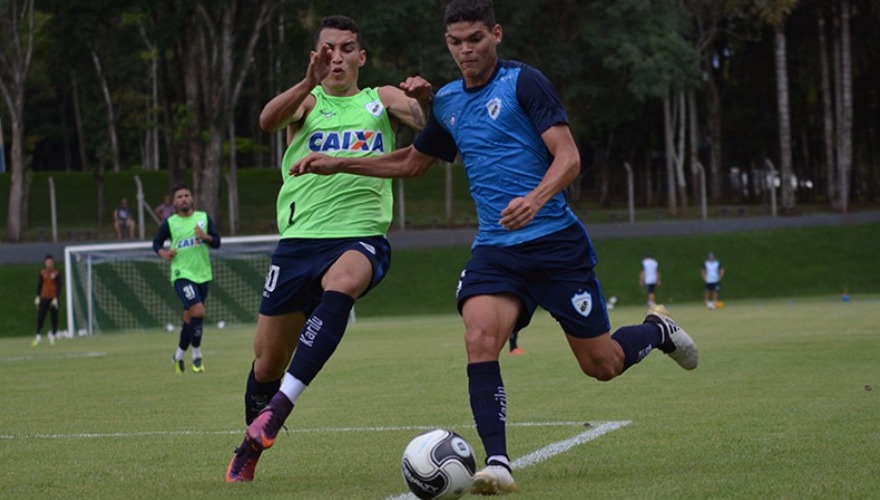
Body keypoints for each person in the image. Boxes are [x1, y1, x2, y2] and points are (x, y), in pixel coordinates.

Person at [289, 1, 699, 494]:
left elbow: (568, 157)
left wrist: (535, 198)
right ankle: (498, 461)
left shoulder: (525, 83)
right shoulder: (447, 102)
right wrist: (341, 163)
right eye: (456, 41)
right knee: (479, 336)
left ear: (496, 35)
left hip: (554, 245)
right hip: (496, 250)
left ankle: (656, 331)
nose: (466, 50)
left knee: (602, 365)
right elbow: (412, 163)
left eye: (476, 39)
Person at [224, 15, 431, 483]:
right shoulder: (309, 100)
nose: (337, 57)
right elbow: (267, 120)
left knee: (345, 280)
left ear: (363, 57)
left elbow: (425, 124)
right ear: (316, 56)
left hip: (359, 235)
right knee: (267, 360)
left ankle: (277, 412)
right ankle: (252, 439)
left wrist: (425, 99)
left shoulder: (378, 100)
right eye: (327, 49)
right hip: (298, 244)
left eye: (347, 48)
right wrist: (305, 81)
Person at [152, 184, 221, 374]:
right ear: (174, 202)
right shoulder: (170, 223)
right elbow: (156, 242)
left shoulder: (203, 218)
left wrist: (205, 236)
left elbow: (217, 242)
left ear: (192, 199)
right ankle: (197, 355)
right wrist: (163, 253)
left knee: (189, 318)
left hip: (203, 274)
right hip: (181, 274)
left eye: (186, 195)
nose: (183, 199)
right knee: (198, 311)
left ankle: (178, 356)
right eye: (180, 196)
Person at [33, 254, 61, 346]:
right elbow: (40, 285)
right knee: (41, 317)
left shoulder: (56, 273)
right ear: (45, 263)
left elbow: (59, 286)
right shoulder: (42, 273)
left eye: (50, 262)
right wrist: (37, 296)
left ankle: (53, 336)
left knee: (54, 318)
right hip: (44, 298)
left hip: (53, 298)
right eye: (47, 262)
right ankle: (38, 336)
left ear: (53, 263)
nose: (49, 264)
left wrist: (56, 297)